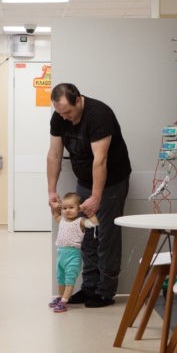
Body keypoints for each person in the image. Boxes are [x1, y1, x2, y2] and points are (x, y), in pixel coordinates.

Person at [47, 83, 131, 308]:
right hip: (84, 181)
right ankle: (89, 287)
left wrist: (96, 197)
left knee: (106, 236)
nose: (64, 118)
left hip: (112, 182)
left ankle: (105, 291)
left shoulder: (99, 115)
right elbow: (54, 155)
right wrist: (52, 190)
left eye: (68, 112)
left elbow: (100, 160)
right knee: (84, 236)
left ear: (78, 100)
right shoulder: (59, 117)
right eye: (60, 113)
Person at [49, 193, 98, 313]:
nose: (67, 210)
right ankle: (61, 297)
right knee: (60, 278)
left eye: (71, 207)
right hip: (61, 255)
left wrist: (90, 214)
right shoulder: (62, 220)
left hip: (73, 256)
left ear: (78, 208)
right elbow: (55, 215)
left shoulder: (80, 221)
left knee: (69, 279)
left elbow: (94, 223)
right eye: (65, 208)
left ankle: (64, 301)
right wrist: (54, 207)